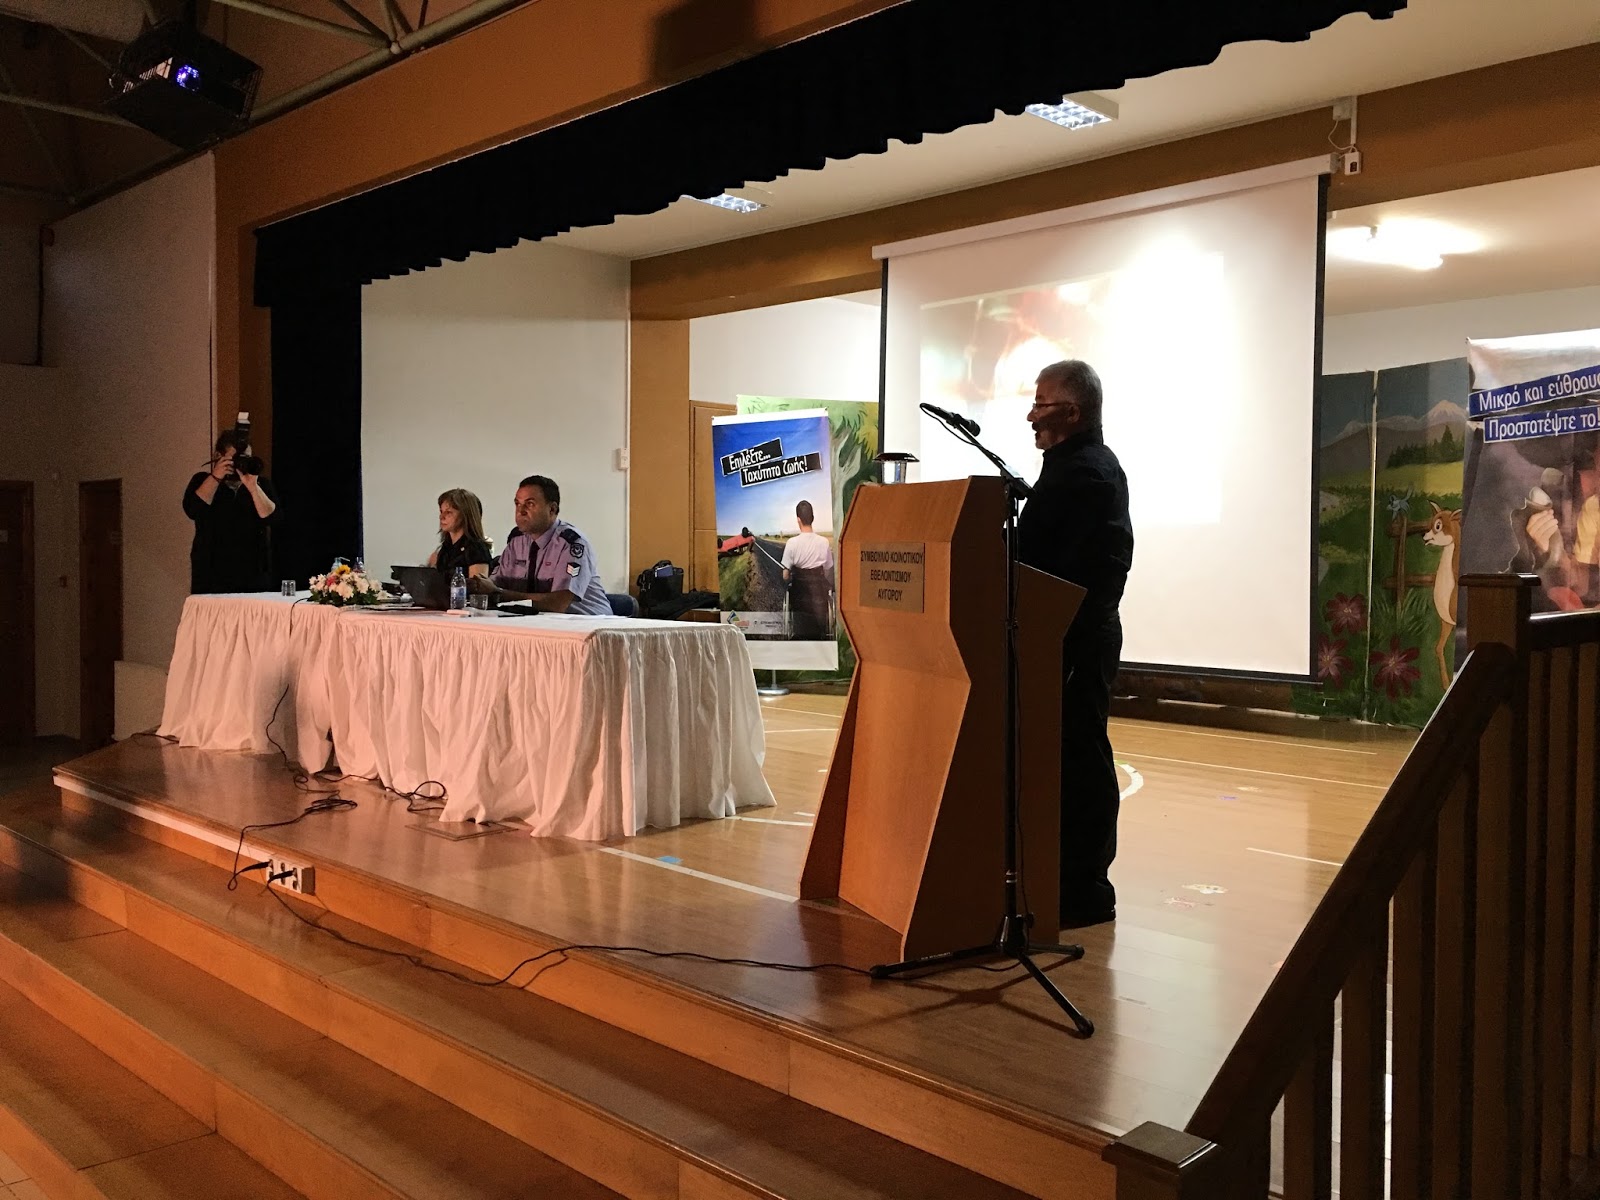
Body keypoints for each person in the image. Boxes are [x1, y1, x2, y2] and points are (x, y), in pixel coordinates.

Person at [1015, 360, 1133, 928]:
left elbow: (1054, 564)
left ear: (1072, 411)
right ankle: (1058, 876)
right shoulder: (1070, 469)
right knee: (1068, 753)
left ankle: (1084, 888)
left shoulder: (1086, 474)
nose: (1031, 416)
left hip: (1074, 637)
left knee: (1080, 755)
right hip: (1060, 634)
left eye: (1041, 404)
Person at [469, 475, 611, 615]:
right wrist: (476, 586)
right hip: (539, 621)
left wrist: (498, 594)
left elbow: (558, 604)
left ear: (552, 509)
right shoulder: (517, 541)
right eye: (517, 504)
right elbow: (495, 585)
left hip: (587, 623)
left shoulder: (571, 544)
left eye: (530, 504)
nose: (521, 511)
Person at [183, 431, 278, 594]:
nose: (240, 464)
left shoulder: (261, 484)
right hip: (211, 574)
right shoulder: (201, 480)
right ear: (218, 456)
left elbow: (272, 518)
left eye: (246, 459)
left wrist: (253, 488)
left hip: (253, 573)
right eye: (236, 459)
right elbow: (193, 509)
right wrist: (216, 477)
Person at [781, 501, 835, 640]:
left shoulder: (792, 543)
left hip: (799, 596)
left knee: (790, 587)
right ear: (813, 518)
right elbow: (828, 570)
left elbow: (785, 575)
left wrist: (789, 576)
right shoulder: (824, 542)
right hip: (819, 594)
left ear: (798, 520)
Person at [427, 488, 492, 581]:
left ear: (465, 515)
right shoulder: (445, 548)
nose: (441, 517)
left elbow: (478, 587)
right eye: (441, 511)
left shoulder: (477, 549)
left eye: (448, 512)